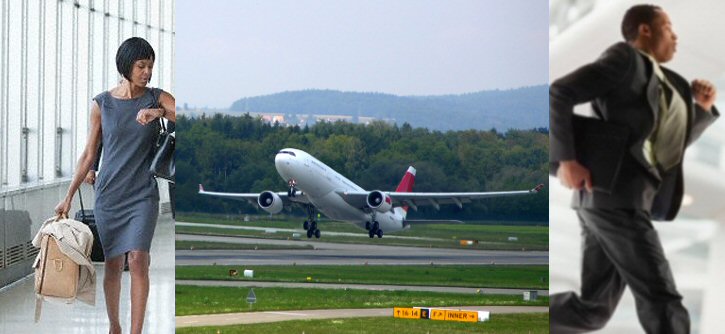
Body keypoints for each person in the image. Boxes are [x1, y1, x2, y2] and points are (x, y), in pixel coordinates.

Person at [549, 5, 718, 333]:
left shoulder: (667, 83)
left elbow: (669, 146)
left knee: (593, 311)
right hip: (615, 197)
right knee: (661, 296)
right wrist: (567, 160)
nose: (676, 35)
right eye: (668, 27)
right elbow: (560, 92)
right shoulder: (625, 60)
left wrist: (701, 110)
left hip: (616, 200)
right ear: (645, 30)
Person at [54, 37, 176, 334]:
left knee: (138, 260)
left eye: (150, 65)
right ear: (126, 66)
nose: (147, 71)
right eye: (141, 65)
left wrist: (158, 113)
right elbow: (89, 152)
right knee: (112, 263)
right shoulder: (102, 104)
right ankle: (114, 326)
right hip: (109, 193)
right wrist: (68, 197)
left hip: (143, 194)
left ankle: (135, 331)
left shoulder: (157, 97)